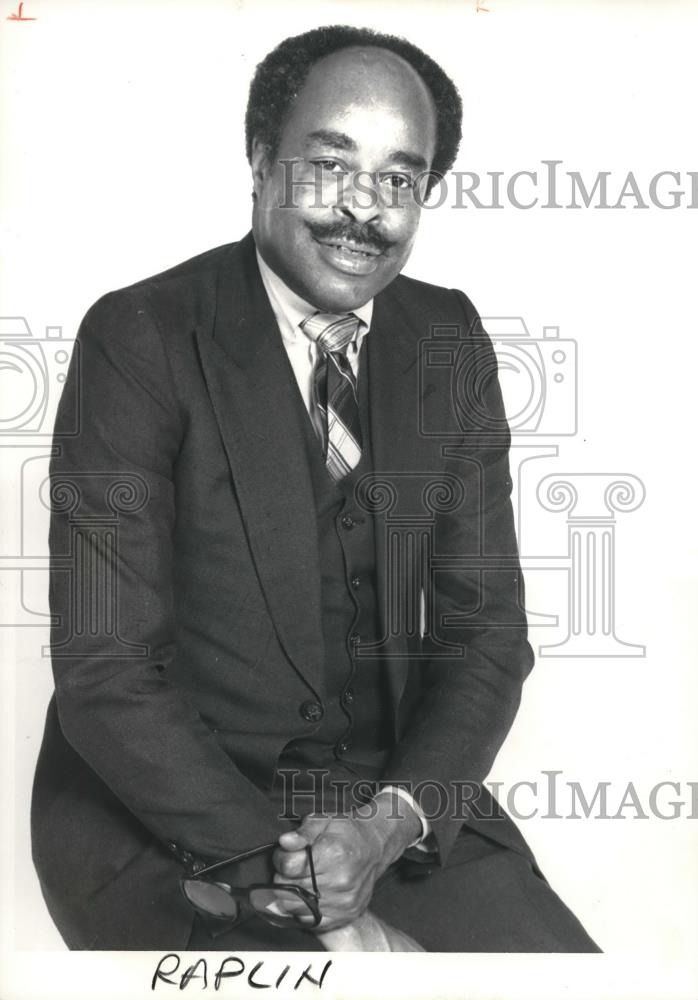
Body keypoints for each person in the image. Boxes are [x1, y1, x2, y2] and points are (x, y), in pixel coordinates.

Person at [31, 25, 599, 953]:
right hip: (168, 816)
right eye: (331, 165)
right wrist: (280, 864)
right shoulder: (138, 336)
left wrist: (389, 823)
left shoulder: (449, 340)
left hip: (388, 802)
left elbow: (485, 635)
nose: (362, 211)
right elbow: (105, 669)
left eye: (399, 180)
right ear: (260, 163)